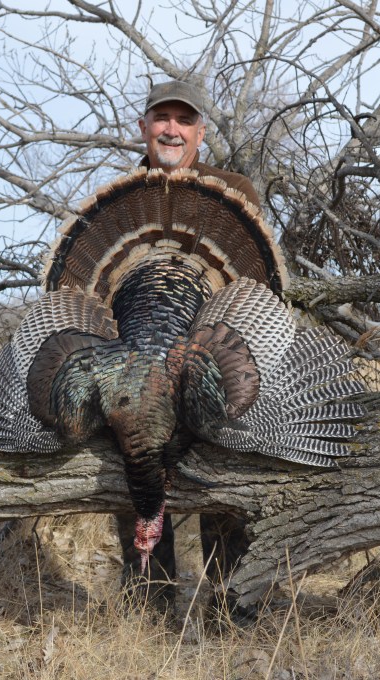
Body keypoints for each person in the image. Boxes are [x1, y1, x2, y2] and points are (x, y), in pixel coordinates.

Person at [115, 80, 257, 620]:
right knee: (140, 485)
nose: (171, 130)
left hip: (208, 361)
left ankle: (232, 614)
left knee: (225, 492)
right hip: (139, 375)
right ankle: (149, 616)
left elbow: (250, 289)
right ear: (143, 127)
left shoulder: (232, 189)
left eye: (184, 120)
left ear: (200, 132)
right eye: (162, 118)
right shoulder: (122, 195)